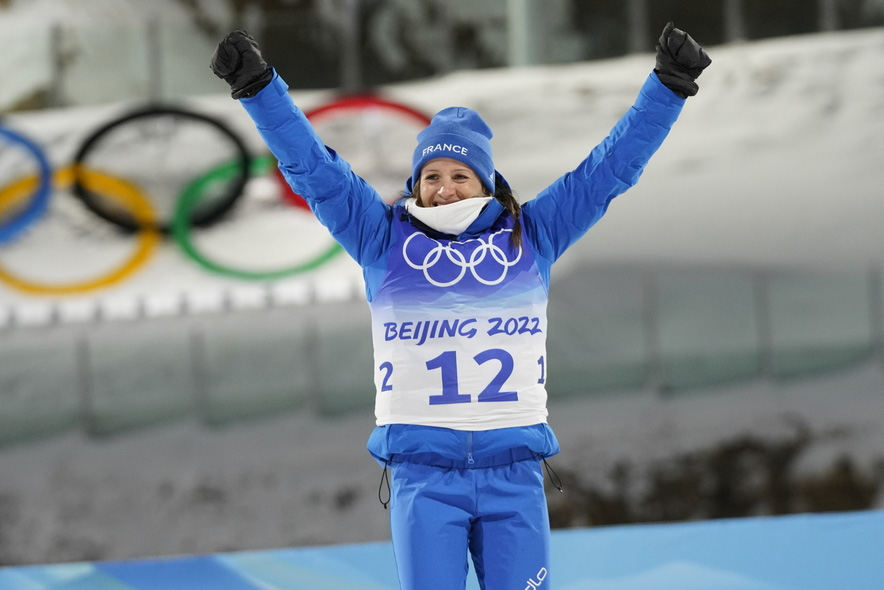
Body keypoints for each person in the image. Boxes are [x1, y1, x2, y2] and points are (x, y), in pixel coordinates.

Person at [211, 21, 710, 590]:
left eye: (459, 175)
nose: (444, 189)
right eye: (431, 176)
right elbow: (315, 172)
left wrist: (667, 88)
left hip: (514, 476)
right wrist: (259, 89)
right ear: (415, 184)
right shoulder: (382, 238)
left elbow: (608, 171)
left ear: (487, 184)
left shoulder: (532, 235)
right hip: (423, 480)